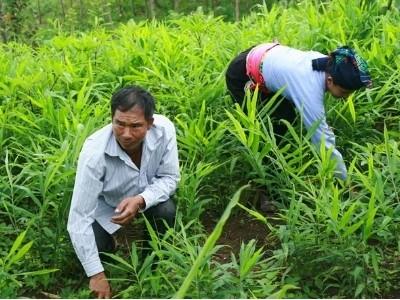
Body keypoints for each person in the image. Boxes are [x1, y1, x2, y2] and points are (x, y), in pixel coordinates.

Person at [67, 85, 180, 298]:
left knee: (166, 210)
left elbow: (169, 178)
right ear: (112, 119)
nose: (126, 134)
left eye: (136, 126)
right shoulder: (94, 153)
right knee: (96, 251)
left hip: (147, 197)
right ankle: (111, 244)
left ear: (150, 123)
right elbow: (79, 217)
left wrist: (141, 199)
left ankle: (152, 265)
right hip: (107, 206)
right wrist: (97, 274)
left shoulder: (164, 131)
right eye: (119, 124)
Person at [226, 42, 372, 182]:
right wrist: (344, 181)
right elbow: (323, 141)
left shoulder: (325, 64)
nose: (347, 97)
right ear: (330, 80)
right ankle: (264, 178)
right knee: (262, 131)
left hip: (263, 56)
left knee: (287, 116)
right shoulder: (309, 88)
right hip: (242, 74)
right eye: (345, 91)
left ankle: (279, 159)